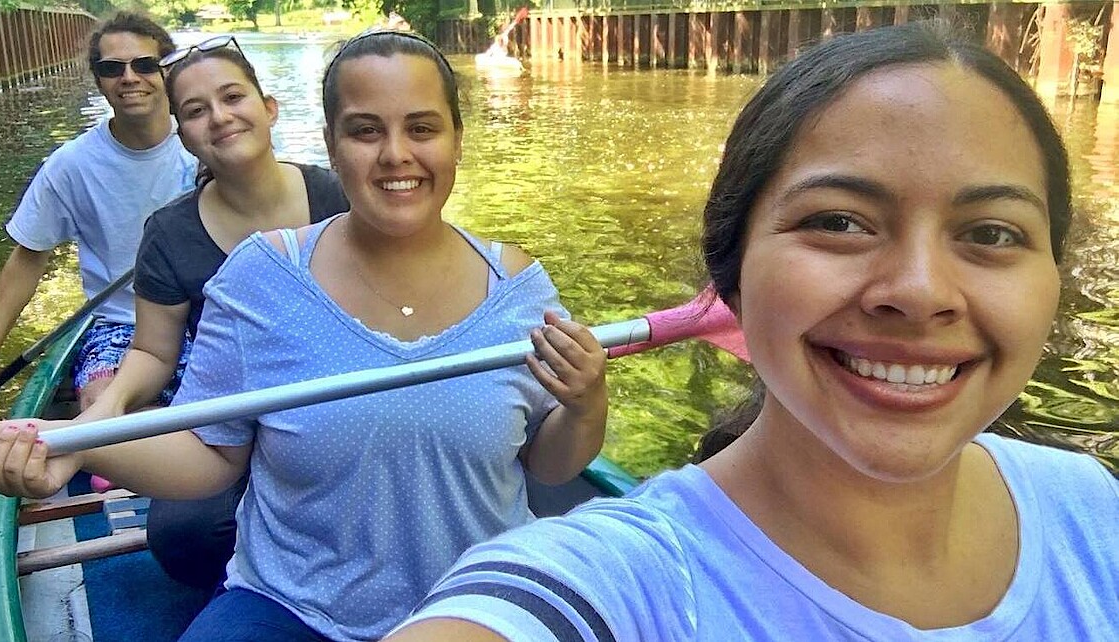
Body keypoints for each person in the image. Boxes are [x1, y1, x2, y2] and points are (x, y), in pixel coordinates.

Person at [386, 22, 1119, 641]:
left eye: (991, 233)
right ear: (732, 267)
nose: (921, 293)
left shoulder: (1092, 508)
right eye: (838, 222)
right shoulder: (618, 586)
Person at [0, 29, 608, 642]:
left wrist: (585, 402)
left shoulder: (518, 287)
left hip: (479, 604)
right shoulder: (258, 276)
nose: (396, 154)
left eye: (422, 128)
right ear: (331, 146)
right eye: (366, 130)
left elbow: (551, 464)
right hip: (293, 605)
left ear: (456, 142)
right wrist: (76, 441)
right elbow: (208, 455)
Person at [76, 36, 350, 591]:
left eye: (233, 98)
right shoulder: (172, 232)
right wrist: (97, 419)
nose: (220, 118)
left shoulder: (339, 196)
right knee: (183, 537)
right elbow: (154, 351)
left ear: (268, 107)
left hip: (336, 404)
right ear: (184, 135)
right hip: (229, 420)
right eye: (197, 111)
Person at [0, 11, 197, 409]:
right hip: (118, 325)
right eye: (112, 68)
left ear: (169, 71)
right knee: (103, 402)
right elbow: (30, 256)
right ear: (98, 80)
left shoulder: (206, 147)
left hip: (207, 318)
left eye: (145, 65)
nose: (129, 78)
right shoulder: (71, 165)